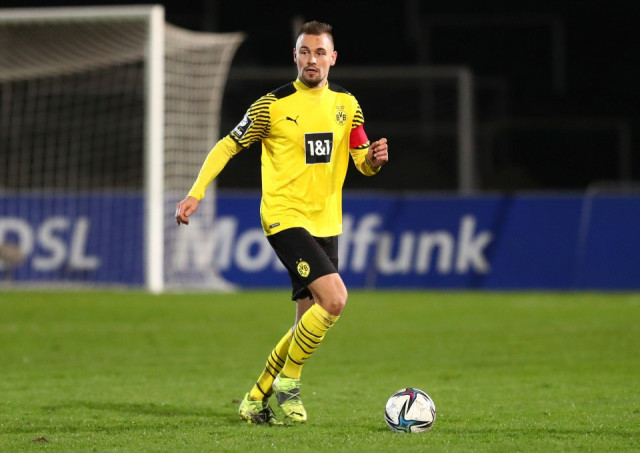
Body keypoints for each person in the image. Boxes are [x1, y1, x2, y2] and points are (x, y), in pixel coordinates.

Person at [175, 20, 388, 425]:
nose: (312, 59)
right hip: (283, 217)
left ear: (333, 58)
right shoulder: (271, 106)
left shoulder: (348, 104)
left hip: (326, 222)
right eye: (305, 52)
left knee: (308, 320)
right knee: (335, 300)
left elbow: (361, 159)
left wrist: (374, 161)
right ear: (295, 56)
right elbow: (227, 145)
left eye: (320, 52)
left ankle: (256, 398)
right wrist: (195, 192)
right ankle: (289, 381)